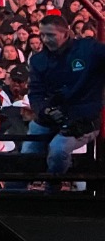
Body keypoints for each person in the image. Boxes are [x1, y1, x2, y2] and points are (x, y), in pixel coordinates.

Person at [21, 14, 105, 179]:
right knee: (27, 153)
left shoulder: (89, 49)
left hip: (83, 118)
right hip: (50, 116)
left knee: (58, 150)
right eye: (42, 35)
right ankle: (20, 192)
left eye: (51, 35)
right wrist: (45, 111)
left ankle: (53, 188)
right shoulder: (39, 60)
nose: (45, 39)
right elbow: (35, 93)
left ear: (66, 33)